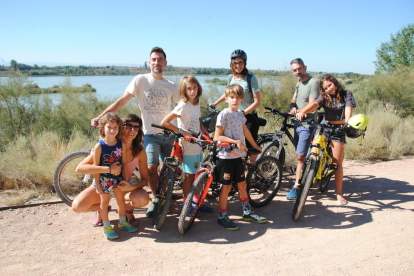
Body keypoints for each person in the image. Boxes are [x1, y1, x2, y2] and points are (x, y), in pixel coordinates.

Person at [90, 47, 180, 217]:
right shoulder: (140, 80)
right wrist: (101, 116)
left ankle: (164, 196)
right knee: (152, 169)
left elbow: (181, 109)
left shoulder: (171, 86)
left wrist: (185, 131)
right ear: (149, 62)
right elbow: (122, 101)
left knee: (168, 170)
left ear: (165, 63)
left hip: (170, 135)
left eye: (160, 59)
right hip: (151, 134)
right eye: (154, 59)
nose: (157, 62)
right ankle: (156, 200)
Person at [72, 114, 149, 230]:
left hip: (122, 184)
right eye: (128, 126)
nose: (132, 130)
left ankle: (127, 209)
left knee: (143, 198)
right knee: (77, 206)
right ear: (122, 127)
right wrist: (108, 169)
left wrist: (131, 186)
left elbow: (145, 180)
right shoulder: (110, 145)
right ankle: (101, 209)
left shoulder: (139, 150)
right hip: (103, 183)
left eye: (136, 127)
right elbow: (80, 168)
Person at [295, 74, 356, 205]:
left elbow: (348, 111)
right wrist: (302, 112)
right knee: (313, 154)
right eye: (326, 88)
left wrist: (347, 123)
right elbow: (314, 105)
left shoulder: (346, 94)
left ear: (335, 83)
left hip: (339, 130)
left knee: (336, 164)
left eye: (330, 85)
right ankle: (306, 180)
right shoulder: (324, 97)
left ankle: (339, 194)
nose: (329, 89)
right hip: (325, 127)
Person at [214, 84, 267, 230]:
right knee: (225, 187)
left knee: (242, 184)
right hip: (225, 156)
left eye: (238, 97)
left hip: (237, 156)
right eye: (231, 97)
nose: (235, 100)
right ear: (226, 99)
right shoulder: (223, 114)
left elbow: (246, 132)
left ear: (241, 99)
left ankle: (247, 212)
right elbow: (217, 137)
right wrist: (235, 141)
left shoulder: (240, 115)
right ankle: (222, 216)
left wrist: (255, 146)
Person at [160, 75, 212, 214]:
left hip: (198, 144)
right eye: (189, 88)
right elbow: (165, 122)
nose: (192, 91)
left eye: (194, 88)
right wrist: (182, 132)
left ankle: (197, 202)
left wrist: (206, 134)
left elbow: (198, 122)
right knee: (189, 176)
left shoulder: (195, 105)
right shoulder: (182, 106)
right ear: (184, 90)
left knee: (199, 174)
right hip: (188, 146)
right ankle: (186, 205)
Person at [210, 49, 261, 162]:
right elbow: (227, 93)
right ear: (232, 64)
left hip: (248, 116)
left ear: (245, 63)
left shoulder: (251, 79)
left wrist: (243, 113)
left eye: (240, 63)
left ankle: (251, 170)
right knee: (230, 140)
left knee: (251, 146)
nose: (238, 65)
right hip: (233, 115)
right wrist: (215, 103)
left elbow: (257, 102)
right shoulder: (230, 77)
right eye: (235, 63)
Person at [92, 112, 137, 239]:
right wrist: (98, 185)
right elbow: (96, 168)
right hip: (104, 180)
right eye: (109, 127)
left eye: (115, 127)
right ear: (103, 128)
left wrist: (126, 178)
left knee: (121, 201)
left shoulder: (120, 144)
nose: (112, 130)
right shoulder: (99, 146)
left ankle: (122, 222)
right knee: (104, 203)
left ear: (119, 129)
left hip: (118, 178)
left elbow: (123, 162)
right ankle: (106, 226)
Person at [286, 58, 320, 200]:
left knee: (300, 157)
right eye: (294, 70)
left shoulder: (314, 83)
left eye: (299, 69)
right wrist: (292, 108)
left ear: (305, 67)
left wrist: (300, 111)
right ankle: (308, 174)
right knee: (301, 153)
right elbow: (294, 99)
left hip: (307, 124)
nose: (297, 72)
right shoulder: (299, 83)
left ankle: (297, 186)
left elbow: (312, 105)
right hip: (298, 123)